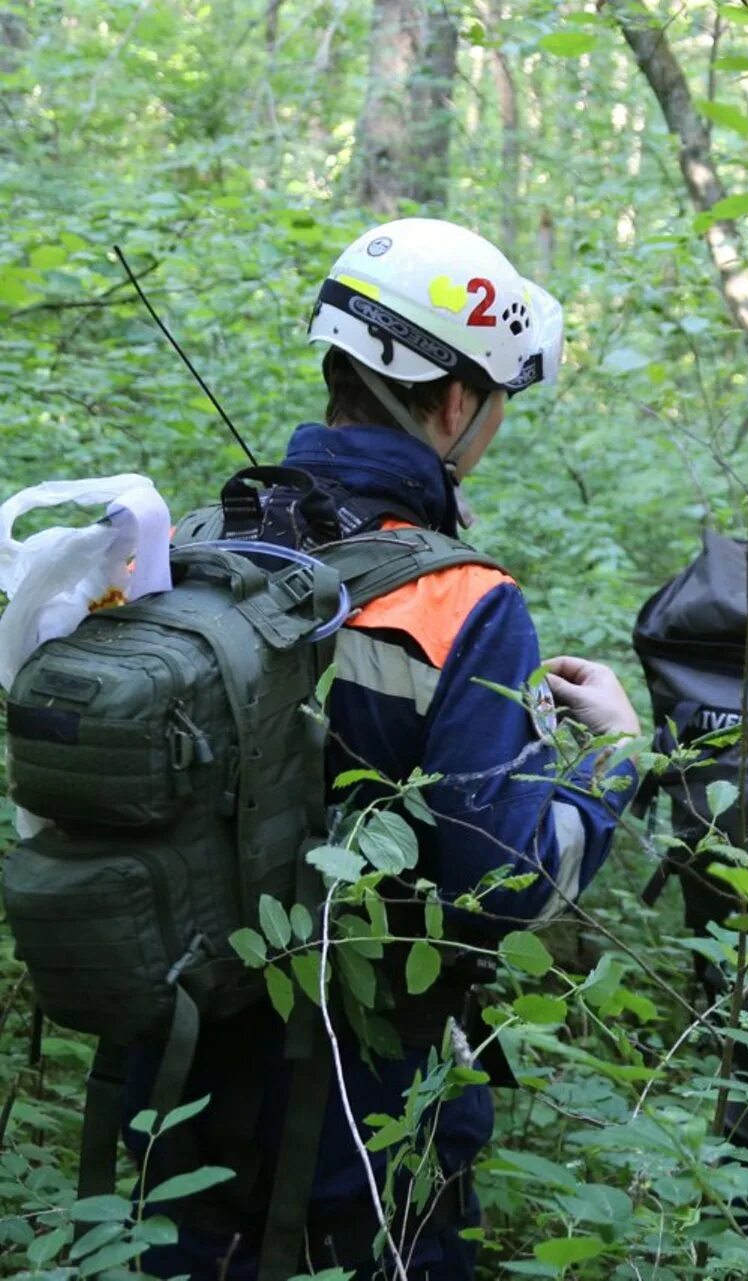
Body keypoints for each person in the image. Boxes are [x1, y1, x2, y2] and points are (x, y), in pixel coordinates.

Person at [130, 218, 643, 1280]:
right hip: (357, 1137)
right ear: (454, 402)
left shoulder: (196, 551)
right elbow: (503, 889)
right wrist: (611, 762)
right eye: (495, 406)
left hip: (165, 1114)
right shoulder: (462, 600)